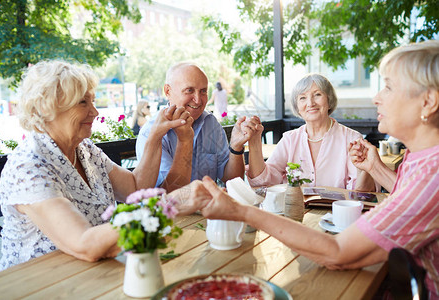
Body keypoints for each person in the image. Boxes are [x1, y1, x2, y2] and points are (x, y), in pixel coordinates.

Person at [194, 40, 439, 299]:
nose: (376, 97)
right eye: (302, 98)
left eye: (388, 87)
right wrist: (375, 166)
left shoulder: (431, 175)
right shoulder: (418, 157)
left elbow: (337, 253)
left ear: (428, 102)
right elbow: (405, 197)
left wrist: (242, 211)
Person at [0, 60, 207, 270]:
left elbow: (135, 188)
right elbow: (85, 244)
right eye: (82, 103)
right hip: (41, 284)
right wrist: (168, 204)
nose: (95, 112)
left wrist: (155, 135)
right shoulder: (28, 166)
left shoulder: (85, 149)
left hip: (95, 271)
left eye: (93, 101)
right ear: (48, 107)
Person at [136, 62, 257, 192]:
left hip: (209, 209)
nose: (198, 100)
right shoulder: (151, 134)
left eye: (203, 91)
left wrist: (236, 148)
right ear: (168, 91)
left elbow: (233, 181)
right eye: (189, 90)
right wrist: (185, 140)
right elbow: (170, 195)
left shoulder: (210, 123)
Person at [245, 73, 374, 191]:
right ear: (298, 108)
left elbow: (361, 192)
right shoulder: (290, 139)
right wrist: (255, 141)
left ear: (329, 101)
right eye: (302, 98)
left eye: (317, 95)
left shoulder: (352, 138)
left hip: (337, 212)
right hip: (296, 212)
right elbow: (263, 181)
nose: (310, 103)